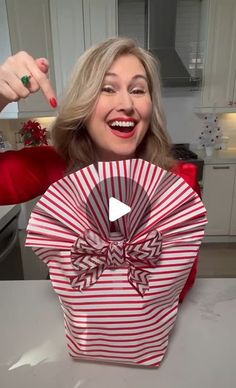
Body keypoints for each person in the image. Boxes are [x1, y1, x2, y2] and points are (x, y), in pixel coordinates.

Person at [0, 37, 201, 301]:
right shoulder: (55, 166)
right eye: (107, 88)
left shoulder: (176, 185)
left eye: (138, 90)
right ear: (84, 103)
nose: (127, 104)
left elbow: (180, 285)